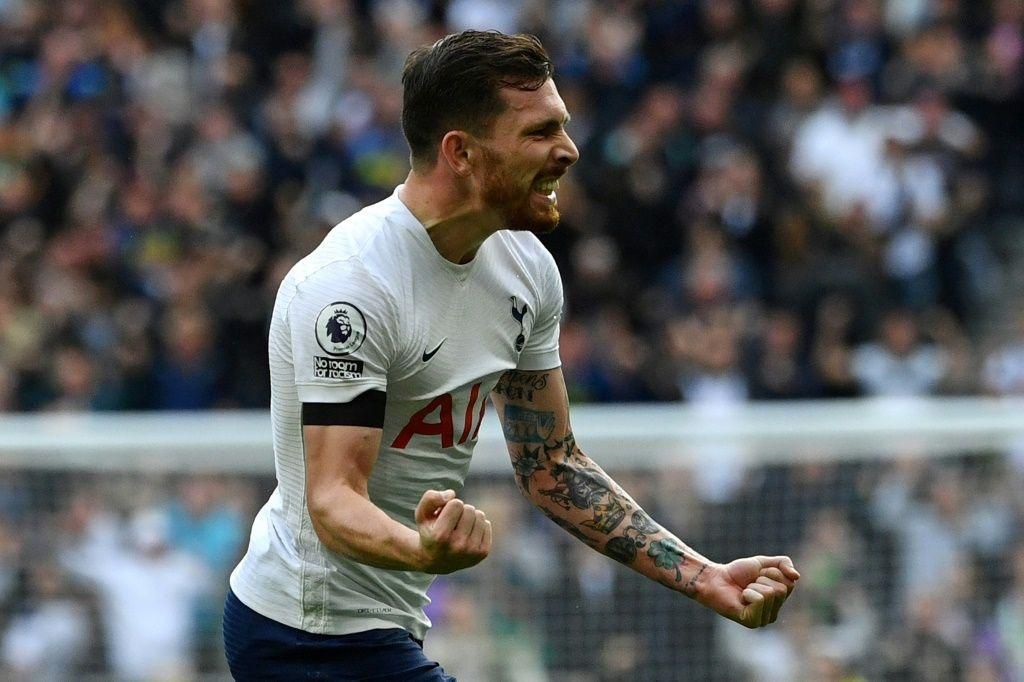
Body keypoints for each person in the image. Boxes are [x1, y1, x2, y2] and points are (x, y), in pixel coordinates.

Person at [224, 30, 800, 681]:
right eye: (540, 132)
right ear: (461, 152)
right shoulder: (352, 290)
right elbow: (332, 499)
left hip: (384, 628)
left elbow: (552, 464)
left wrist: (705, 577)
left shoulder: (526, 269)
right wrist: (422, 552)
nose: (569, 150)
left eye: (565, 126)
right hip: (306, 634)